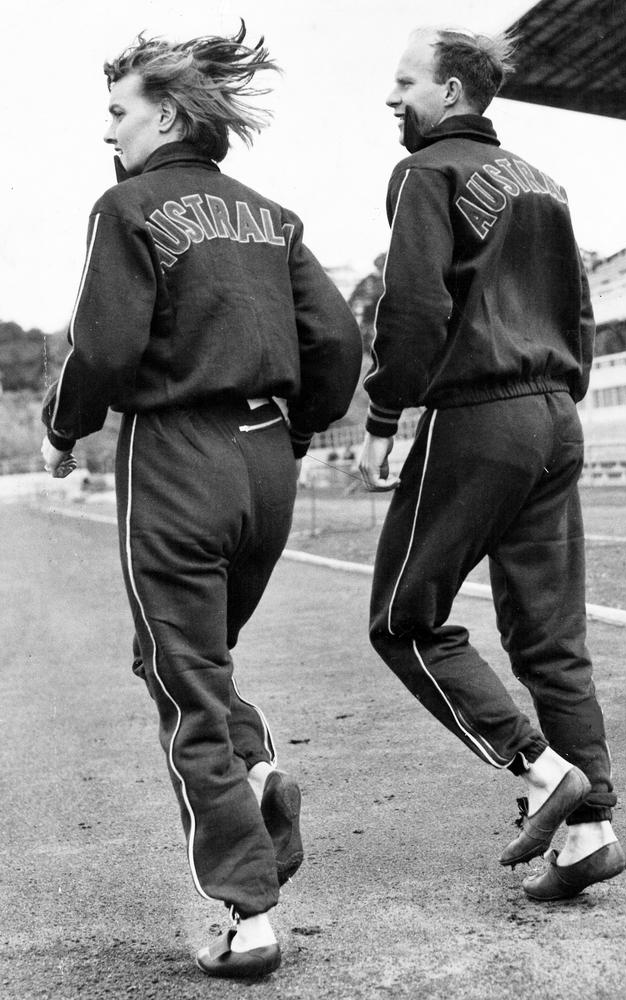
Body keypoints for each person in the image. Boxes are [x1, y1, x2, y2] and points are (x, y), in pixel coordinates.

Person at [41, 25, 361, 980]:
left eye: (118, 111)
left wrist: (62, 428)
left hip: (176, 455)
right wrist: (299, 430)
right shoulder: (273, 214)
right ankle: (257, 772)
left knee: (182, 680)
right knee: (188, 659)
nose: (108, 131)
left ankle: (246, 913)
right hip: (268, 463)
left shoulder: (127, 205)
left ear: (167, 112)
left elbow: (102, 348)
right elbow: (339, 344)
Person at [358, 26, 626, 901]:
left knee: (403, 619)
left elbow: (410, 309)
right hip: (556, 413)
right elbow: (581, 310)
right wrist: (560, 393)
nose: (393, 98)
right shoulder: (543, 182)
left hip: (480, 413)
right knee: (552, 637)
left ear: (450, 91)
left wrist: (382, 416)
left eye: (405, 83)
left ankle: (540, 769)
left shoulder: (425, 172)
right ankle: (592, 831)